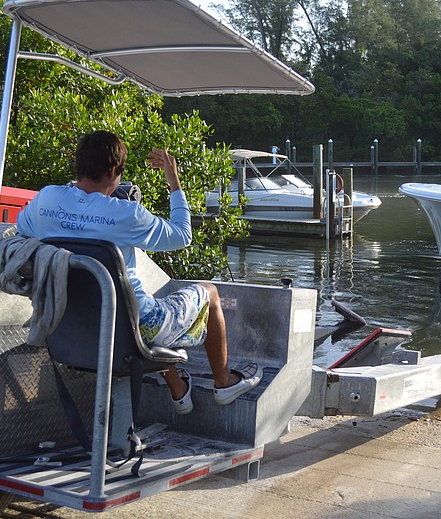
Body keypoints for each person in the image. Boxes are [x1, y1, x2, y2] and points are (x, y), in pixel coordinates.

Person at [15, 130, 261, 415]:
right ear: (112, 171)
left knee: (138, 306)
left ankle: (180, 390)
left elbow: (22, 228)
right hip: (132, 329)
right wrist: (174, 182)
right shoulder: (126, 214)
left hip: (70, 323)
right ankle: (224, 383)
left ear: (78, 164)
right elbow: (182, 235)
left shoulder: (47, 199)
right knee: (209, 294)